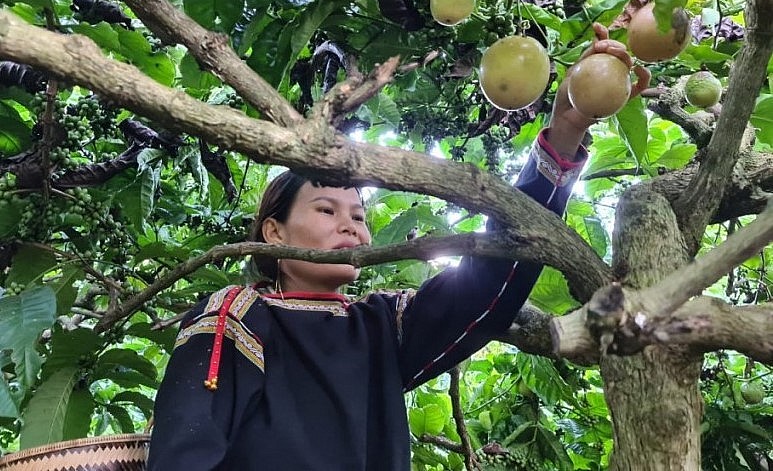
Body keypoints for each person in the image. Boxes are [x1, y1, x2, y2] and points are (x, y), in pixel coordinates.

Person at [147, 24, 649, 470]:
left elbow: (488, 279)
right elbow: (185, 446)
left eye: (359, 217)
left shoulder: (382, 327)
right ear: (273, 232)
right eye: (327, 210)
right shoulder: (235, 313)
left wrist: (566, 131)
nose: (353, 229)